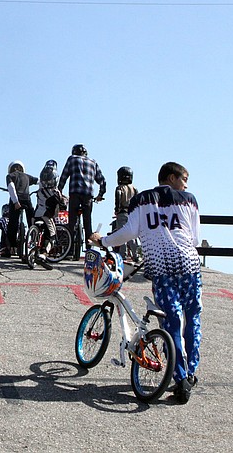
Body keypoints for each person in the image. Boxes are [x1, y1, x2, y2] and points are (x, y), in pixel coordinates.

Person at [89, 162, 201, 404]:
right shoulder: (189, 200)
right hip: (190, 267)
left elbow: (128, 232)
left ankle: (179, 377)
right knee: (192, 318)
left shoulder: (142, 199)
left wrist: (103, 241)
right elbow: (195, 237)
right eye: (183, 179)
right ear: (171, 178)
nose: (186, 184)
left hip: (162, 268)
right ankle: (190, 372)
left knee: (170, 319)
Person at [58, 144, 106, 253]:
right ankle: (89, 249)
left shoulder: (72, 159)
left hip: (75, 194)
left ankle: (69, 250)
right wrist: (100, 194)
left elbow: (64, 176)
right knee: (87, 222)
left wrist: (59, 190)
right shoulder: (93, 162)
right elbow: (102, 180)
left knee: (71, 222)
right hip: (88, 195)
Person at [3, 160, 38, 258]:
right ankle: (34, 241)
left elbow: (11, 187)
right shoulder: (27, 176)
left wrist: (15, 201)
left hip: (16, 200)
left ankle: (10, 247)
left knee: (12, 223)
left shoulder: (10, 176)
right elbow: (39, 181)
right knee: (32, 220)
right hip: (27, 199)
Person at [34, 160, 67, 259]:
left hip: (35, 215)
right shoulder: (55, 192)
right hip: (47, 216)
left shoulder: (39, 191)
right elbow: (62, 203)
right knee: (51, 234)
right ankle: (44, 253)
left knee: (36, 231)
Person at [113, 166, 139, 261]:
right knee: (132, 234)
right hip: (132, 213)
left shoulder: (120, 188)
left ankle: (122, 255)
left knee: (122, 234)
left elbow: (118, 198)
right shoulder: (134, 188)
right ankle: (135, 255)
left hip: (122, 213)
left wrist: (117, 209)